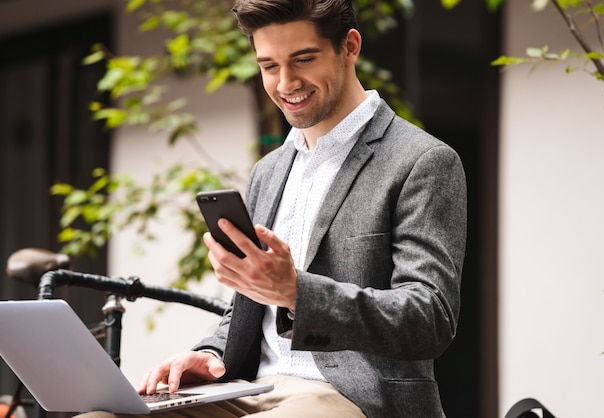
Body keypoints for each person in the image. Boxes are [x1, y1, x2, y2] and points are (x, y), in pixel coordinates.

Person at [83, 0, 467, 416]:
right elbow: (247, 307)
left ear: (350, 46)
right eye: (269, 66)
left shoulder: (421, 160)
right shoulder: (270, 171)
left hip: (355, 394)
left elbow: (430, 318)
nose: (286, 83)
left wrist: (297, 292)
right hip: (249, 389)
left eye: (303, 59)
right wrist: (212, 355)